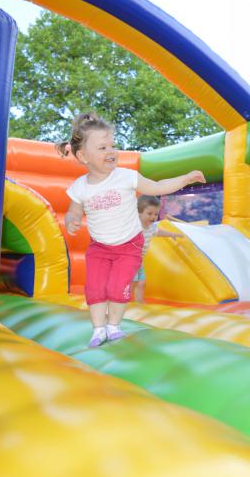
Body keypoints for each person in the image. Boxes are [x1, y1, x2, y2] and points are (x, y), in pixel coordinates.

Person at [58, 112, 205, 348]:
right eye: (103, 147)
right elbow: (74, 210)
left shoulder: (126, 177)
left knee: (117, 287)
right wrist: (72, 220)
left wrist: (185, 179)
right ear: (83, 156)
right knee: (95, 287)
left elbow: (158, 186)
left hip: (129, 246)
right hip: (99, 248)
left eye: (112, 146)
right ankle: (98, 330)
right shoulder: (80, 187)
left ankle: (114, 326)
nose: (111, 151)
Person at [132, 195, 184, 303]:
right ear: (139, 213)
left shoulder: (151, 228)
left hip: (139, 262)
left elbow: (159, 232)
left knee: (141, 283)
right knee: (129, 283)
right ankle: (118, 302)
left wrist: (172, 234)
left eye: (156, 214)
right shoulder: (134, 226)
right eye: (149, 213)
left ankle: (139, 302)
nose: (153, 217)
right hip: (128, 261)